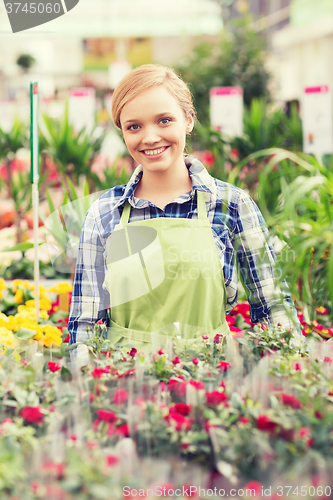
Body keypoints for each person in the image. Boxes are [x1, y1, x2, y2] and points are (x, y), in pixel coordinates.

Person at [68, 64, 302, 350]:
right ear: (122, 132)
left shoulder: (231, 205)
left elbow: (273, 305)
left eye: (164, 120)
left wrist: (294, 371)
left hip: (213, 379)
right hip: (126, 381)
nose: (150, 137)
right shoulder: (104, 213)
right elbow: (85, 324)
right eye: (134, 126)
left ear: (188, 120)